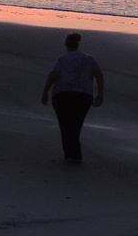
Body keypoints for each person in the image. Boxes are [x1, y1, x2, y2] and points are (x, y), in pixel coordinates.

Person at [40, 32, 104, 162]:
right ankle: (72, 153)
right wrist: (100, 95)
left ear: (66, 45)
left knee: (64, 124)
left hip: (62, 94)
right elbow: (99, 75)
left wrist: (45, 92)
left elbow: (53, 75)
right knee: (76, 124)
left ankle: (71, 153)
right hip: (83, 96)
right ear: (78, 44)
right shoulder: (89, 59)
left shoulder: (61, 59)